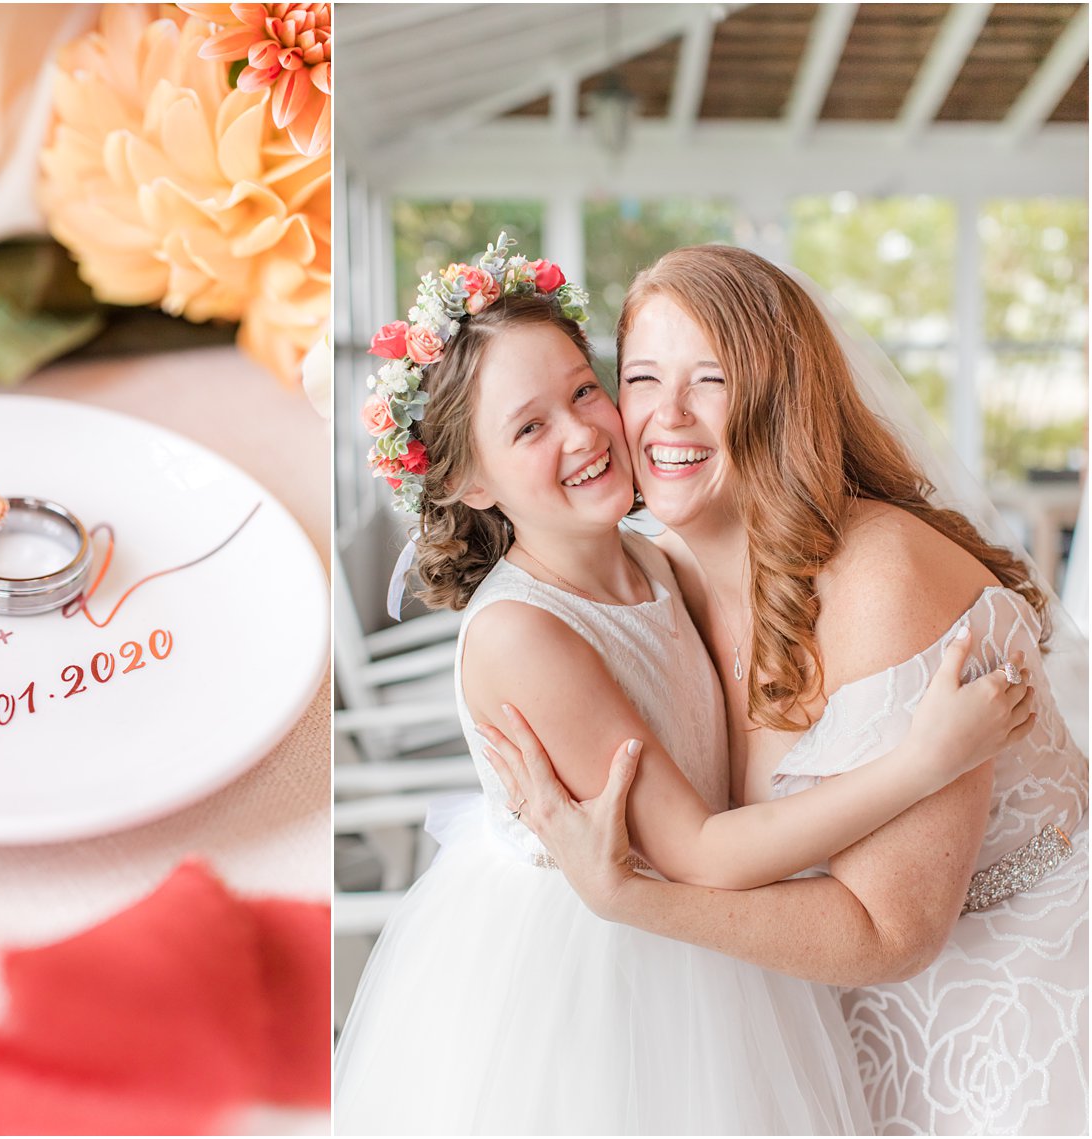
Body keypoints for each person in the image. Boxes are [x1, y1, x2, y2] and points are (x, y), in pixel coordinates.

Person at [332, 236, 1034, 1135]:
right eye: (529, 426)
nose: (585, 431)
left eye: (585, 389)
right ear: (466, 479)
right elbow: (698, 849)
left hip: (717, 940)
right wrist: (923, 761)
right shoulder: (522, 632)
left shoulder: (656, 558)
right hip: (595, 969)